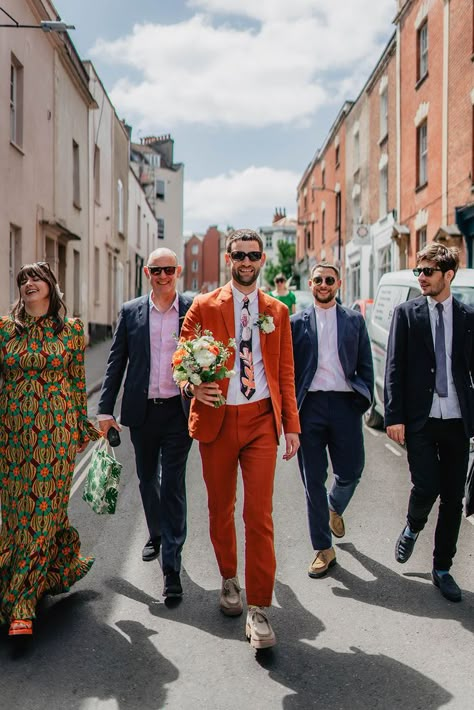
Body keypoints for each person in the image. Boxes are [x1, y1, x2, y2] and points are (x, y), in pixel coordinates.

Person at [180, 228, 300, 650]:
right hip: (217, 419)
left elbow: (285, 373)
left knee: (259, 515)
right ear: (229, 259)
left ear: (263, 259)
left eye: (253, 255)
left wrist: (292, 427)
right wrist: (193, 387)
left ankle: (260, 608)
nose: (246, 262)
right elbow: (182, 357)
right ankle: (230, 580)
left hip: (261, 422)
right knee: (220, 509)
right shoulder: (203, 305)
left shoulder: (277, 311)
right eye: (239, 255)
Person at [0, 262, 100, 637]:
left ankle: (22, 604)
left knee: (42, 511)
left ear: (50, 286)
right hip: (10, 438)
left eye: (35, 278)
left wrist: (81, 427)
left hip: (54, 438)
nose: (28, 283)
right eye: (22, 279)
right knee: (15, 516)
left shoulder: (72, 330)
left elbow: (78, 382)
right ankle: (57, 565)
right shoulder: (5, 330)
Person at [97, 248, 192, 599]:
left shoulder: (192, 309)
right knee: (148, 478)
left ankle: (171, 570)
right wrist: (105, 410)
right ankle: (156, 533)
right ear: (147, 272)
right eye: (156, 270)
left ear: (177, 271)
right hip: (142, 412)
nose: (163, 275)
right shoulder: (131, 311)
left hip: (178, 412)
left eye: (169, 269)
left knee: (173, 485)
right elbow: (115, 363)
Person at [385, 243, 474, 603]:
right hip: (420, 418)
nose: (420, 277)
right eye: (417, 271)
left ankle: (442, 568)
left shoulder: (468, 317)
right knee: (426, 486)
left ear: (448, 275)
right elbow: (394, 367)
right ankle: (413, 526)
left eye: (428, 272)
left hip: (457, 419)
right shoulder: (406, 314)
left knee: (453, 498)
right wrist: (394, 417)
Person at [290, 263, 374, 578]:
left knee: (352, 470)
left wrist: (362, 401)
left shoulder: (354, 320)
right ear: (310, 283)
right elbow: (289, 371)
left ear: (338, 283)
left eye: (329, 280)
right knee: (312, 480)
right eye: (318, 280)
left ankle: (334, 505)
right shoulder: (296, 323)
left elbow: (366, 364)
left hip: (344, 404)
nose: (323, 285)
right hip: (309, 406)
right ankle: (324, 549)